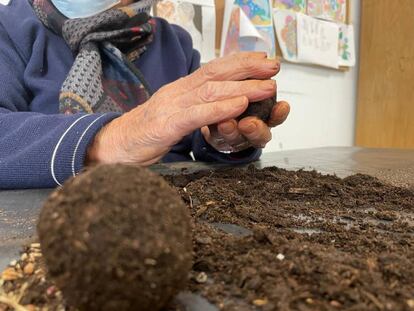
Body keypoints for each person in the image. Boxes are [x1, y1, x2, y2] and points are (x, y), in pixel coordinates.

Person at [0, 0, 290, 189]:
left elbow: (197, 141)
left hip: (172, 221)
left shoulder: (175, 42)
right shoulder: (9, 28)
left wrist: (225, 138)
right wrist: (113, 137)